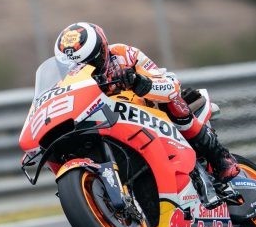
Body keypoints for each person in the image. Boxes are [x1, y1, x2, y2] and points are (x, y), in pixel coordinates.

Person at [54, 22, 240, 185]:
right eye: (74, 65)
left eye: (89, 62)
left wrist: (139, 82)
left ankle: (221, 158)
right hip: (108, 121)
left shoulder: (124, 54)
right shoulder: (65, 83)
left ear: (102, 51)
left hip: (147, 109)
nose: (83, 69)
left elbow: (169, 85)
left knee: (174, 99)